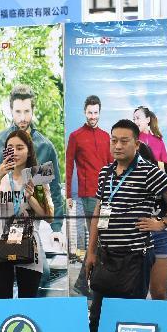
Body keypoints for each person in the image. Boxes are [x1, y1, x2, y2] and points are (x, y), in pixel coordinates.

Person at [86, 119, 167, 332]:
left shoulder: (147, 171)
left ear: (136, 144)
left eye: (124, 141)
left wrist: (162, 223)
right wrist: (90, 251)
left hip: (135, 258)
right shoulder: (105, 172)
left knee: (130, 321)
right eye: (114, 140)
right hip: (105, 257)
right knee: (96, 318)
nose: (117, 146)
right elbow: (98, 212)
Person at [0, 85, 64, 242]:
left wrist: (56, 228)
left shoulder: (45, 147)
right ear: (11, 111)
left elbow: (54, 190)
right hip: (0, 228)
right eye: (18, 112)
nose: (22, 117)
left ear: (33, 110)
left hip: (31, 229)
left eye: (27, 111)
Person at [0, 129, 54, 299]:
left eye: (20, 148)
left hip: (29, 244)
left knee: (28, 300)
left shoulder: (39, 175)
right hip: (1, 243)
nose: (14, 152)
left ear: (29, 151)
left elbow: (49, 217)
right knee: (2, 300)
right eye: (10, 148)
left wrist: (31, 198)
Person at [65, 95, 112, 294]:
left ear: (100, 112)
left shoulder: (106, 137)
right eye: (90, 112)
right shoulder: (75, 136)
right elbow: (69, 166)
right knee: (97, 237)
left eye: (95, 112)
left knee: (102, 238)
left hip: (107, 196)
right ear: (84, 112)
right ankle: (83, 283)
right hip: (89, 196)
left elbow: (112, 166)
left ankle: (88, 283)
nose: (93, 116)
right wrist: (68, 194)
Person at [136, 142, 167, 301]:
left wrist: (162, 223)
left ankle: (163, 316)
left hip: (158, 234)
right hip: (133, 235)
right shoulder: (116, 171)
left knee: (158, 292)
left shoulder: (162, 169)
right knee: (133, 291)